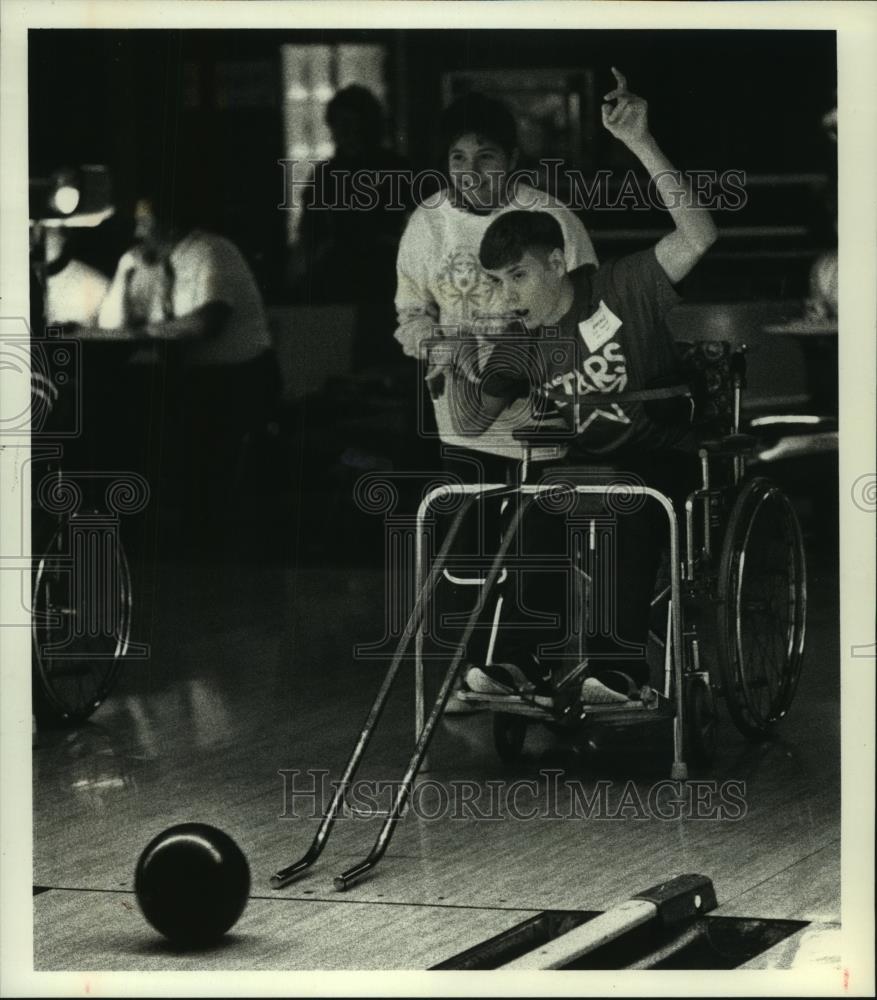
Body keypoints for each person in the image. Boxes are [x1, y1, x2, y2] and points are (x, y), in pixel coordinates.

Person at [456, 68, 717, 703]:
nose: (508, 295)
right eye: (497, 282)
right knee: (531, 508)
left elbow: (700, 235)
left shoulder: (624, 286)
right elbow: (470, 422)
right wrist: (462, 364)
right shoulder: (521, 340)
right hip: (590, 466)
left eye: (517, 277)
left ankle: (620, 673)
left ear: (555, 264)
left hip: (667, 456)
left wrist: (641, 141)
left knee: (625, 505)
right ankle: (519, 666)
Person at [394, 91, 598, 711]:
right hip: (465, 421)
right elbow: (410, 311)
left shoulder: (550, 218)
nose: (471, 171)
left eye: (486, 156)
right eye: (458, 158)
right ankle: (476, 671)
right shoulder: (425, 224)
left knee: (539, 547)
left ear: (511, 158)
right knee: (472, 558)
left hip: (544, 417)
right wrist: (431, 346)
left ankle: (527, 664)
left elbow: (587, 307)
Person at [90, 194, 279, 549]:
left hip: (236, 378)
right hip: (190, 379)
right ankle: (135, 528)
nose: (137, 230)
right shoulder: (140, 260)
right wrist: (130, 277)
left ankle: (201, 539)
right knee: (122, 415)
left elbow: (207, 323)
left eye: (144, 222)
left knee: (179, 435)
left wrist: (146, 332)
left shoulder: (211, 252)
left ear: (170, 223)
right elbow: (111, 324)